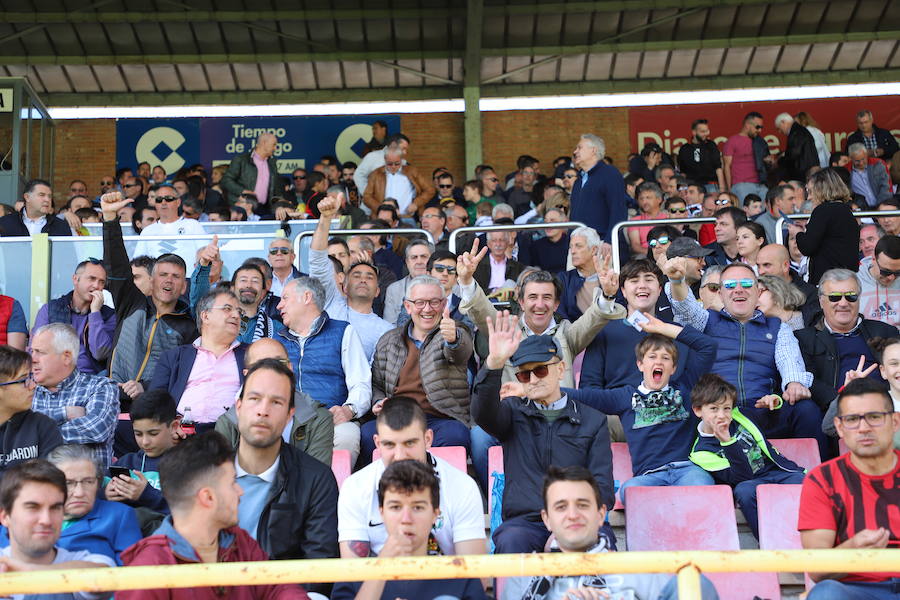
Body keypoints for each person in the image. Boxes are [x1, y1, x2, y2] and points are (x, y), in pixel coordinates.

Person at [472, 318, 614, 554]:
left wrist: (564, 528)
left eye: (540, 369)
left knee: (600, 543)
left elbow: (602, 486)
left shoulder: (592, 419)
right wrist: (494, 363)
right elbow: (482, 413)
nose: (534, 379)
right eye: (524, 376)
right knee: (510, 540)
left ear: (560, 369)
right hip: (525, 522)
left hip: (578, 517)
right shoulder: (511, 413)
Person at [118, 431, 310, 599]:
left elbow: (277, 587)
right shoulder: (148, 570)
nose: (240, 491)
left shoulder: (238, 541)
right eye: (232, 483)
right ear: (208, 497)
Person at [664, 260, 826, 456]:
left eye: (747, 284)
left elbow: (790, 362)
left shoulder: (777, 327)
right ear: (721, 294)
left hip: (761, 410)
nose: (738, 290)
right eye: (730, 285)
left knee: (806, 410)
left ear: (758, 292)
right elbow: (685, 309)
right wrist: (677, 280)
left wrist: (793, 384)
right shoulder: (707, 321)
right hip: (718, 412)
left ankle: (818, 476)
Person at [555, 313, 717, 505]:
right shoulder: (625, 396)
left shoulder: (685, 388)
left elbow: (708, 346)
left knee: (702, 487)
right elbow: (582, 396)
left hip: (687, 470)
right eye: (652, 357)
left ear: (673, 368)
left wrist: (665, 329)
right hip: (649, 477)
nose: (658, 362)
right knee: (629, 491)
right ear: (640, 364)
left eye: (665, 358)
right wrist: (530, 390)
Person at [501, 465, 719, 600]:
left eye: (583, 505)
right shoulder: (524, 577)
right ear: (546, 520)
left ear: (600, 514)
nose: (573, 514)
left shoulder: (638, 571)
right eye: (561, 507)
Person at [231, 358, 338, 594]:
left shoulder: (315, 479)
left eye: (276, 402)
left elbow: (319, 566)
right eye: (254, 399)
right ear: (238, 407)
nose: (263, 410)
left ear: (290, 414)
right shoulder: (206, 472)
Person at [338, 397, 484, 559]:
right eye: (390, 445)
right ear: (377, 443)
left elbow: (473, 574)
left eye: (409, 443)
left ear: (428, 439)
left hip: (445, 580)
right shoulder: (355, 487)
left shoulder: (462, 486)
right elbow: (353, 574)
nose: (400, 456)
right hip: (380, 580)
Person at [799, 377, 900, 599]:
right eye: (852, 419)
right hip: (856, 589)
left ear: (895, 422)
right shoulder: (822, 479)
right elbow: (817, 571)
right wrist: (853, 549)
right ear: (839, 427)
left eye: (875, 417)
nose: (863, 428)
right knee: (825, 593)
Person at [332, 460, 487, 600]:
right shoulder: (353, 574)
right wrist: (381, 567)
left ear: (435, 514)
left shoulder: (461, 576)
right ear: (381, 513)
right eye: (395, 507)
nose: (406, 518)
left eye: (417, 507)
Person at [364, 275, 473, 461]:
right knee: (367, 434)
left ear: (444, 304)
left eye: (434, 302)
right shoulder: (389, 340)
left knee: (457, 436)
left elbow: (460, 351)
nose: (427, 309)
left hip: (441, 419)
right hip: (398, 417)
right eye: (420, 303)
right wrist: (379, 401)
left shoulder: (455, 331)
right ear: (408, 306)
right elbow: (377, 384)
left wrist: (453, 339)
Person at [101, 193, 198, 401]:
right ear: (152, 281)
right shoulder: (132, 303)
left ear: (184, 287)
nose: (169, 281)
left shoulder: (189, 326)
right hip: (113, 398)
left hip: (155, 406)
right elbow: (116, 265)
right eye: (163, 275)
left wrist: (146, 387)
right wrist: (110, 219)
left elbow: (182, 374)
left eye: (176, 277)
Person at [688, 374, 806, 539]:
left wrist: (773, 403)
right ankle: (768, 542)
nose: (721, 415)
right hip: (751, 482)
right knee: (744, 491)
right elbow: (741, 477)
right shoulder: (701, 452)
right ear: (698, 410)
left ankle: (803, 539)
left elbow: (771, 421)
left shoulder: (740, 415)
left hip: (777, 472)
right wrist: (727, 442)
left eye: (726, 408)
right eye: (714, 409)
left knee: (804, 481)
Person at [275, 277, 371, 465]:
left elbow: (361, 383)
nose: (279, 306)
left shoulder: (342, 331)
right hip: (285, 420)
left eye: (285, 298)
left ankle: (330, 493)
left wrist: (349, 410)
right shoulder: (276, 340)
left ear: (307, 297)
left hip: (330, 419)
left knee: (347, 435)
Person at [0, 460, 115, 599]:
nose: (46, 520)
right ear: (5, 517)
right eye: (32, 507)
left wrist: (33, 572)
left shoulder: (82, 560)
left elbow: (105, 576)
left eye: (55, 508)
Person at [216, 338, 334, 467]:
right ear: (247, 374)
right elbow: (220, 480)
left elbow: (316, 482)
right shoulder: (228, 422)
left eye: (279, 363)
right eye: (261, 365)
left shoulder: (318, 418)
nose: (272, 372)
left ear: (290, 368)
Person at [19, 444, 142, 565]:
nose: (79, 493)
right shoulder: (25, 517)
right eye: (68, 483)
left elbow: (132, 574)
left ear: (98, 482)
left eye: (88, 482)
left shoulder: (119, 516)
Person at [795, 268, 897, 410]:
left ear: (859, 299)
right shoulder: (803, 339)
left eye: (851, 296)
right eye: (835, 297)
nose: (843, 303)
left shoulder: (886, 332)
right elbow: (809, 381)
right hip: (834, 410)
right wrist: (842, 399)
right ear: (821, 301)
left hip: (887, 406)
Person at [149, 289, 247, 431]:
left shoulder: (250, 354)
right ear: (205, 316)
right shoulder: (174, 357)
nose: (236, 315)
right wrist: (170, 427)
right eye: (227, 309)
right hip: (181, 433)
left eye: (240, 312)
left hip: (230, 436)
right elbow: (155, 402)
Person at [310, 196, 392, 360]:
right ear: (345, 286)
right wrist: (325, 218)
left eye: (369, 277)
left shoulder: (386, 330)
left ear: (377, 291)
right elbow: (317, 259)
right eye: (356, 275)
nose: (363, 279)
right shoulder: (331, 303)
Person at [30, 323, 119, 470]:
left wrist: (34, 436)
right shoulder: (25, 389)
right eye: (32, 351)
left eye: (40, 352)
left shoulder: (100, 386)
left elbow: (96, 429)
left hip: (89, 488)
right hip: (36, 487)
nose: (32, 359)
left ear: (66, 357)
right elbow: (10, 428)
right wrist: (65, 413)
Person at [31, 259, 116, 375]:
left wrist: (95, 312)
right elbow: (35, 349)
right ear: (75, 279)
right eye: (91, 279)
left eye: (101, 282)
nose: (96, 285)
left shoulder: (108, 315)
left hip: (91, 379)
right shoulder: (50, 309)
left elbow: (100, 353)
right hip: (56, 376)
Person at [106, 390, 178, 516]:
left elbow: (192, 511)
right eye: (138, 434)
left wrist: (146, 495)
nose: (145, 442)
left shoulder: (190, 464)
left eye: (153, 433)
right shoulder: (127, 462)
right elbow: (94, 491)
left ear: (174, 427)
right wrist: (105, 493)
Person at [0, 346, 63, 475]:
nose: (33, 385)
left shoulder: (43, 426)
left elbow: (49, 481)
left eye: (30, 377)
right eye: (23, 380)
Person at [791, 168, 860, 285]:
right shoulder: (846, 210)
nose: (809, 198)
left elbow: (807, 247)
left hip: (828, 281)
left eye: (811, 192)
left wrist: (797, 233)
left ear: (821, 190)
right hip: (847, 279)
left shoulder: (823, 210)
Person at [131, 184, 207, 273]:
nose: (163, 203)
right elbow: (139, 262)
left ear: (178, 202)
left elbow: (205, 253)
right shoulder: (147, 231)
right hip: (157, 283)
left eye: (168, 199)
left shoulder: (193, 225)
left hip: (188, 280)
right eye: (159, 200)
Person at [569, 134, 627, 247]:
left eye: (579, 148)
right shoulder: (578, 180)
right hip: (576, 244)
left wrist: (610, 240)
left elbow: (618, 210)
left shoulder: (610, 174)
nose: (575, 152)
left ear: (593, 150)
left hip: (601, 243)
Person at [362, 145, 434, 218]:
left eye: (397, 163)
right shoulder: (376, 174)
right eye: (390, 164)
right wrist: (380, 209)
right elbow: (366, 197)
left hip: (407, 216)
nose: (393, 166)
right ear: (385, 159)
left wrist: (416, 203)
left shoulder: (412, 172)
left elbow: (429, 190)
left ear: (401, 159)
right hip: (383, 218)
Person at [220, 132, 279, 210]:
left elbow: (275, 188)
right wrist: (243, 191)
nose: (275, 148)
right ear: (264, 143)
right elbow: (226, 180)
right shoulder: (241, 160)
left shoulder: (272, 163)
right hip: (243, 208)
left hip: (264, 209)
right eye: (274, 144)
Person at [382, 240, 434, 325]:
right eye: (414, 257)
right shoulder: (394, 289)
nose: (419, 261)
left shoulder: (443, 286)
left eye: (424, 257)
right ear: (407, 262)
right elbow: (390, 326)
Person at [0, 179, 72, 237]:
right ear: (27, 197)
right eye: (42, 195)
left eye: (49, 196)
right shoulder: (5, 223)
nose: (47, 199)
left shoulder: (61, 226)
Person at [723, 113, 768, 202]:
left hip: (761, 184)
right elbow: (727, 166)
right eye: (757, 127)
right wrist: (729, 189)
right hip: (741, 185)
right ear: (747, 125)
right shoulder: (733, 141)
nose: (759, 130)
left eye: (761, 128)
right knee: (746, 213)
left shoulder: (760, 141)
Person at [677, 118, 725, 192]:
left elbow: (718, 167)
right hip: (692, 186)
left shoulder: (711, 145)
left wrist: (722, 189)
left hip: (710, 185)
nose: (706, 133)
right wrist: (682, 189)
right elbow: (683, 172)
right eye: (702, 131)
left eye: (707, 131)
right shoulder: (685, 149)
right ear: (694, 132)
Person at [775, 112, 819, 182]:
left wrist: (781, 160)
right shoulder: (799, 130)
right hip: (806, 171)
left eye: (778, 128)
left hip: (804, 173)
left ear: (783, 122)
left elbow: (794, 153)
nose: (780, 132)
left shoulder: (796, 132)